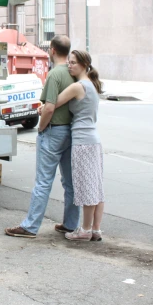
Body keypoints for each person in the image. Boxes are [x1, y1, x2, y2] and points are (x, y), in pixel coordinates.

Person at [5, 35, 79, 238]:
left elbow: (48, 108)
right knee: (70, 182)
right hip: (71, 131)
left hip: (53, 131)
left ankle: (30, 226)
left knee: (43, 181)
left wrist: (41, 129)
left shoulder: (55, 74)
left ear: (52, 50)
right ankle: (72, 223)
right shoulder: (75, 73)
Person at [53, 51, 105, 242]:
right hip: (94, 140)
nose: (69, 66)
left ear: (83, 64)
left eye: (73, 63)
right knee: (97, 186)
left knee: (86, 187)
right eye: (68, 62)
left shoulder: (78, 86)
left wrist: (43, 108)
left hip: (82, 141)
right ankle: (96, 230)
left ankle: (84, 230)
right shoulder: (92, 85)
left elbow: (55, 102)